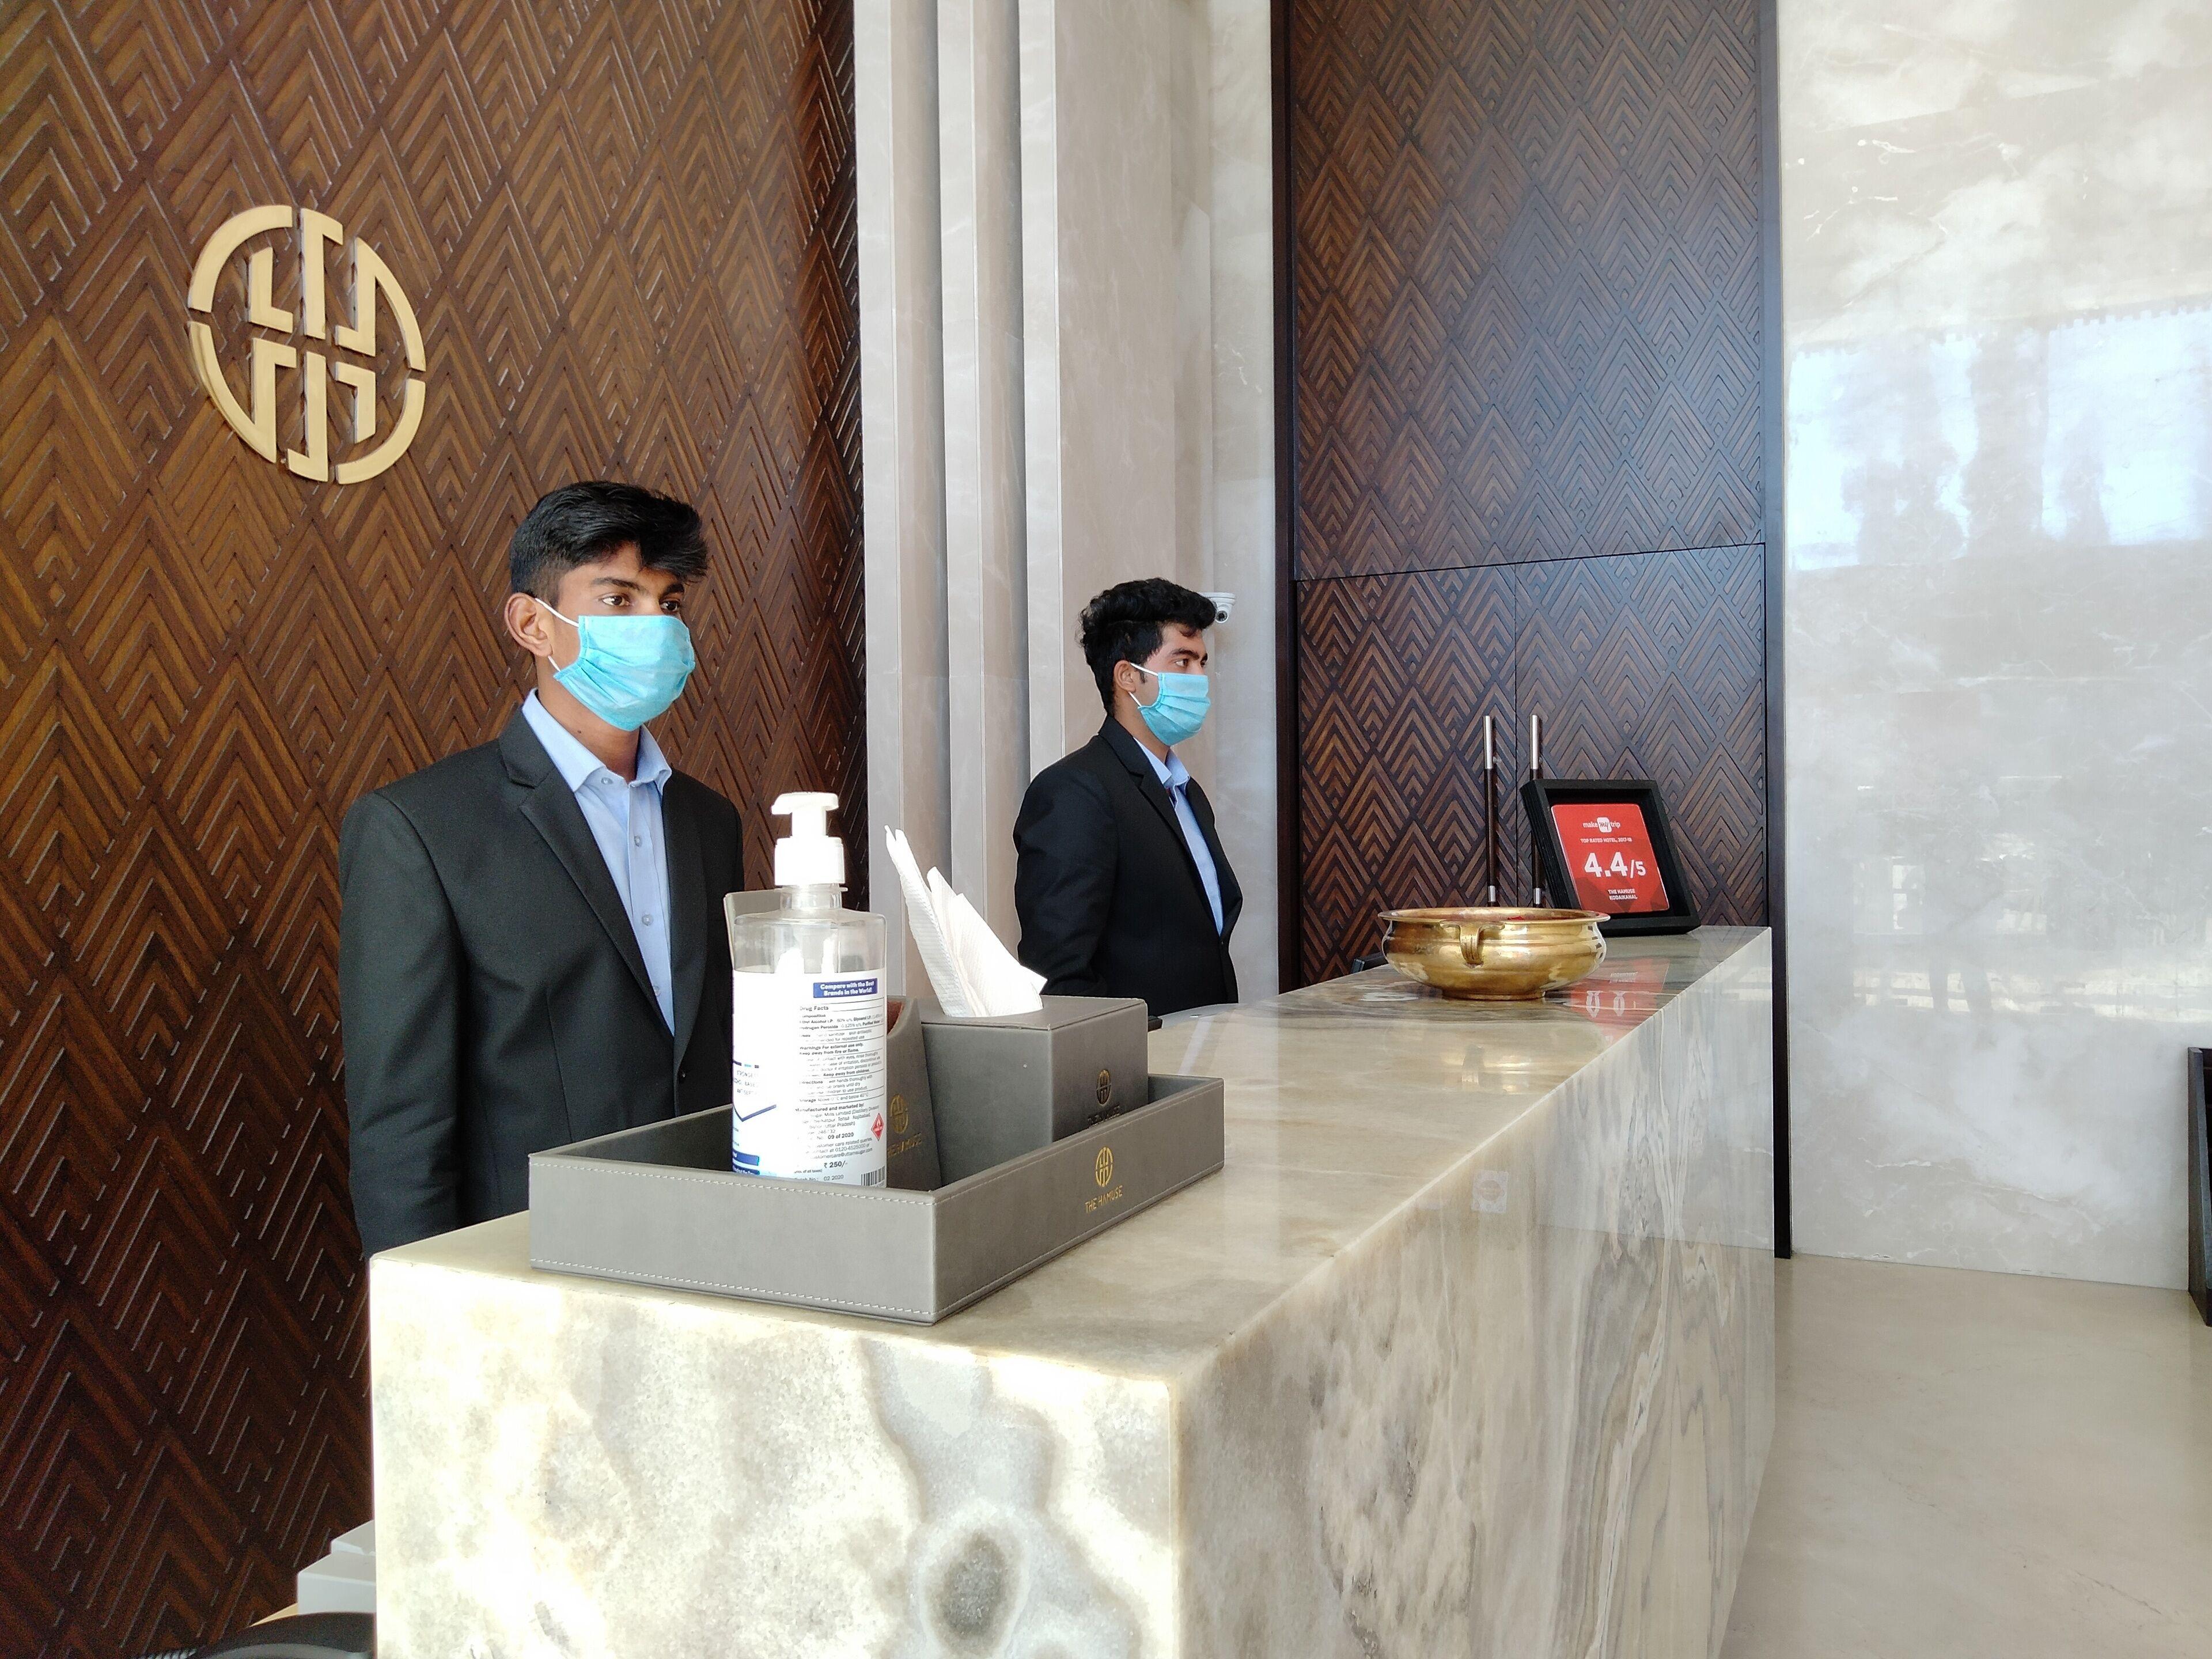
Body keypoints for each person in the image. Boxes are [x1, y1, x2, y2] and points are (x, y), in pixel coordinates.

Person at [339, 482, 741, 1256]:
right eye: (619, 600)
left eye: (670, 604)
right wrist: (432, 1302)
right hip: (533, 1263)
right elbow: (401, 1126)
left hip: (708, 1241)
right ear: (533, 624)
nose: (656, 627)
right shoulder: (420, 829)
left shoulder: (708, 821)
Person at [1013, 578, 1242, 1017]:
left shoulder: (1187, 793)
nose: (1200, 679)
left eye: (1202, 663)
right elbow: (1059, 974)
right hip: (1137, 1052)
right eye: (1183, 661)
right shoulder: (1075, 791)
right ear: (1128, 677)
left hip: (1205, 1043)